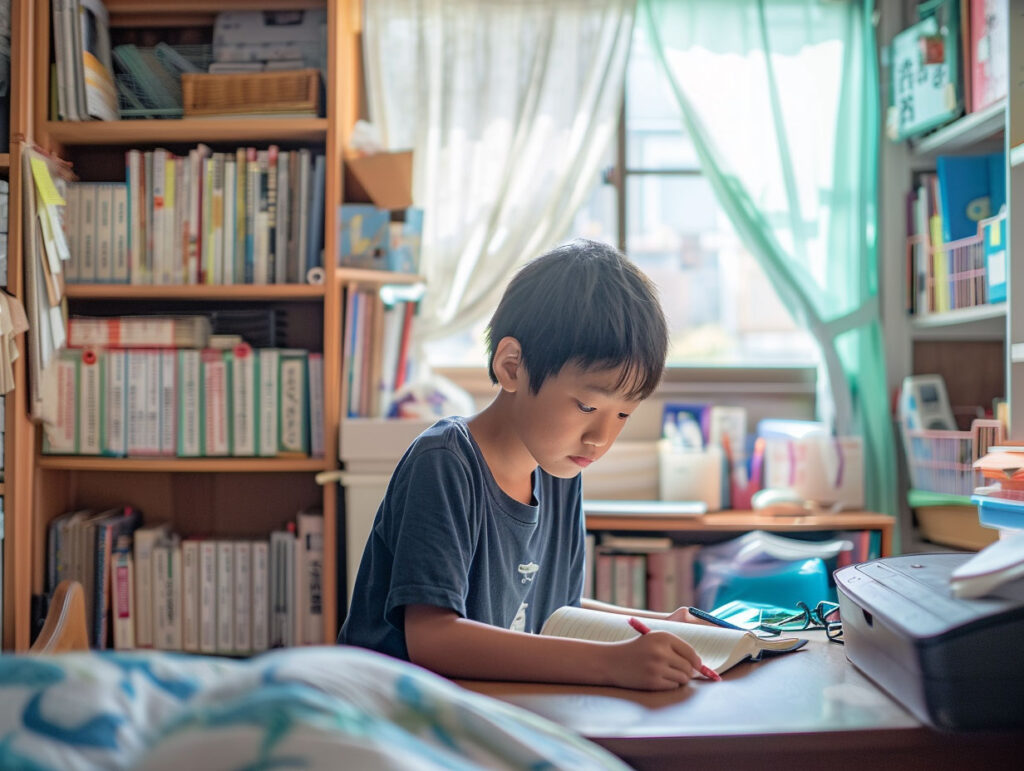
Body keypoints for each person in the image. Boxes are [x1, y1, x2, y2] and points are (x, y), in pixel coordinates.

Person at [340, 239, 710, 690]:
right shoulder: (445, 462)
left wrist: (661, 625)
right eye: (587, 407)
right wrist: (612, 663)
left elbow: (555, 614)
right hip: (397, 714)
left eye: (623, 415)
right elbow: (433, 639)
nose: (601, 439)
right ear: (512, 366)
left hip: (487, 705)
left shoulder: (558, 467)